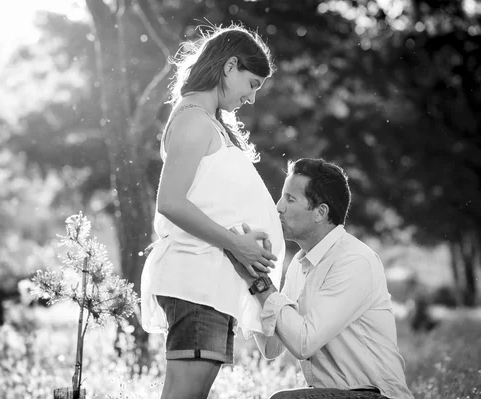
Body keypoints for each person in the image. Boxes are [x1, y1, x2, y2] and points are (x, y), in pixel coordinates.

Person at [140, 25, 285, 399]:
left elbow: (211, 202)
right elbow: (170, 202)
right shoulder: (191, 120)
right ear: (229, 66)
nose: (252, 98)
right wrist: (238, 245)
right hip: (195, 281)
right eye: (251, 84)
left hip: (211, 283)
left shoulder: (209, 123)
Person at [226, 158, 414, 399]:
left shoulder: (354, 261)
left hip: (377, 395)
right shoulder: (299, 264)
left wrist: (261, 284)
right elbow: (272, 348)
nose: (278, 207)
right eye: (282, 197)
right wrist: (252, 275)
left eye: (290, 199)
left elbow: (304, 343)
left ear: (320, 212)